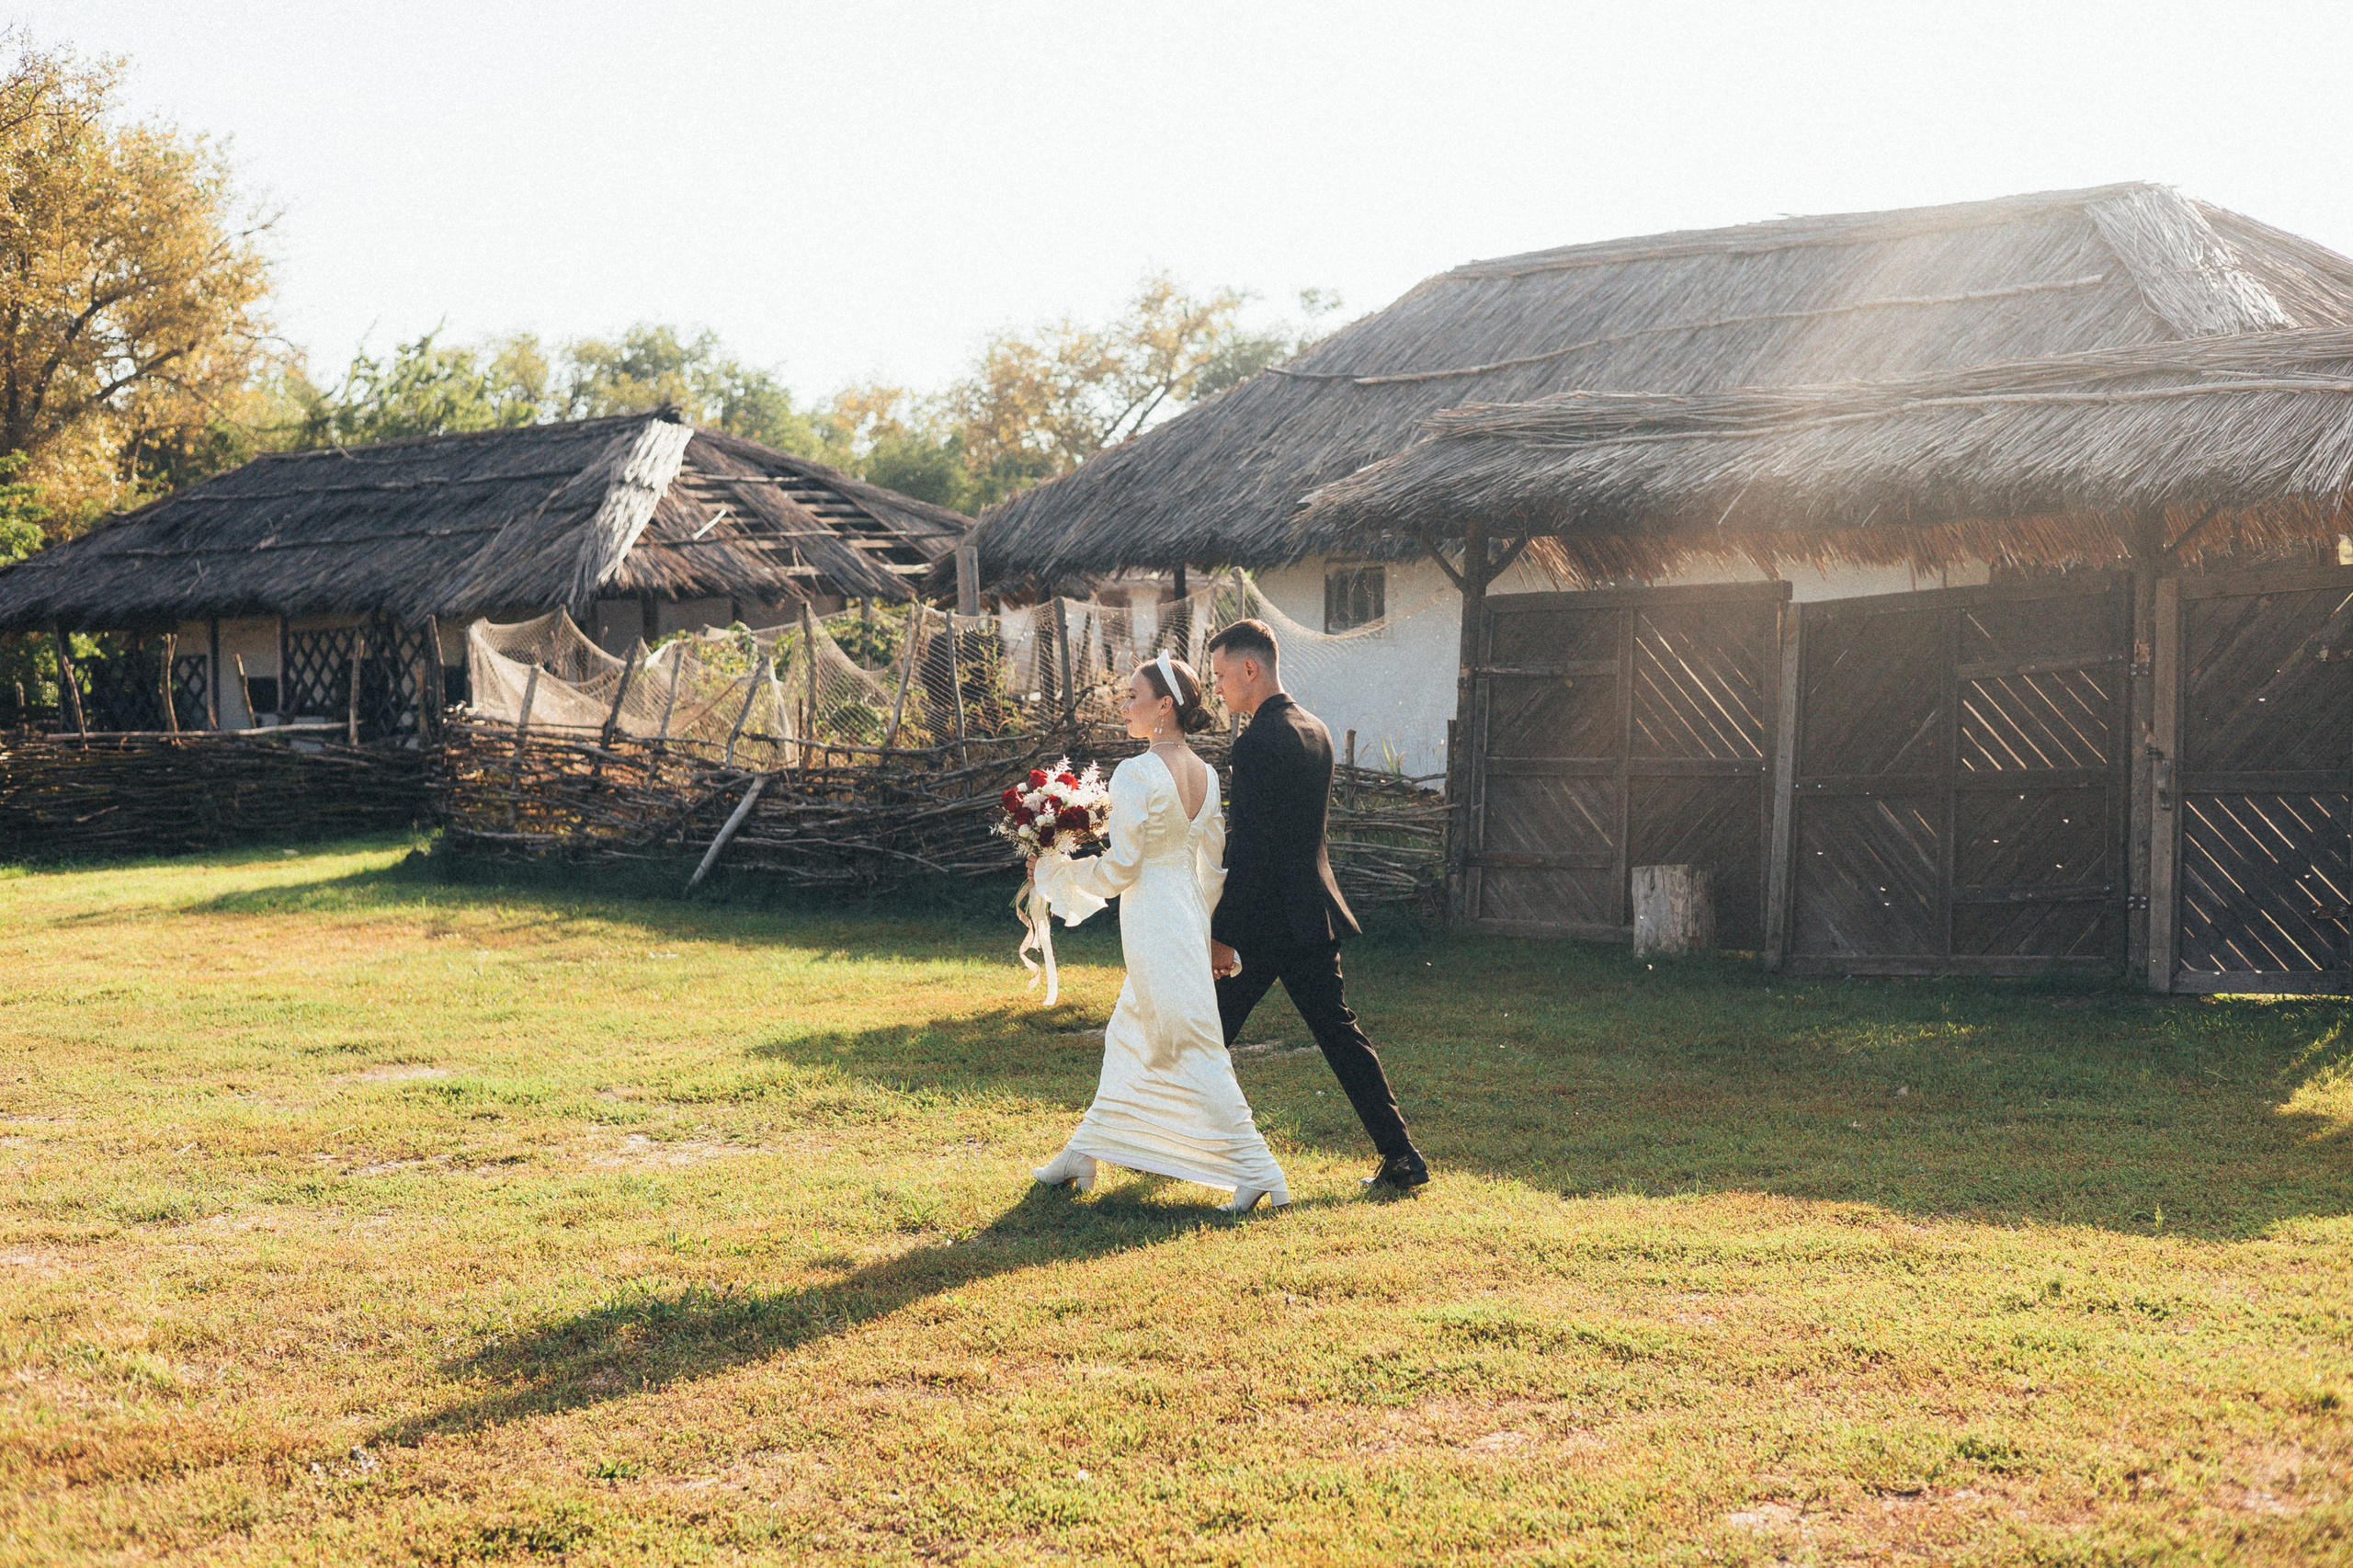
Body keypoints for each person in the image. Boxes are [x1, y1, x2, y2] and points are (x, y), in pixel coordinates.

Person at [1027, 651, 1290, 1214]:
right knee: (1129, 1034)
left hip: (1153, 917)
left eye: (1132, 697)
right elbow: (1212, 868)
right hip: (1186, 911)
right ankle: (1083, 1152)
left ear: (1164, 706)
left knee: (1190, 1041)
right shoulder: (1207, 773)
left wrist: (1057, 872)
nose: (1123, 707)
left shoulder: (1138, 772)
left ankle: (1259, 1169)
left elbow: (1122, 869)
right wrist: (1203, 926)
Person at [1207, 619, 1429, 1192]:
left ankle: (1174, 1147)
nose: (1219, 689)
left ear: (1250, 669)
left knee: (1203, 1034)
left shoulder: (1255, 741)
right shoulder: (1316, 729)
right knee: (1340, 1035)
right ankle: (1402, 1155)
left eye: (1222, 676)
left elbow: (1251, 846)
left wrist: (1223, 931)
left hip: (1263, 923)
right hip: (1311, 913)